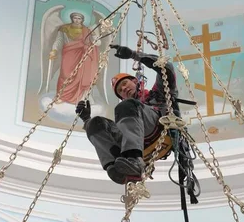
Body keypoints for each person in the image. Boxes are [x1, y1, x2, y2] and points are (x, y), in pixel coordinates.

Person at [75, 44, 178, 184]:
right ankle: (117, 167)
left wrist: (134, 55)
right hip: (135, 139)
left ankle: (134, 160)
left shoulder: (157, 94)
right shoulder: (126, 112)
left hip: (160, 128)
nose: (124, 88)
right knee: (95, 124)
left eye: (125, 83)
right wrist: (86, 118)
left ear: (135, 81)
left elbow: (166, 67)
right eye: (120, 90)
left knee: (127, 106)